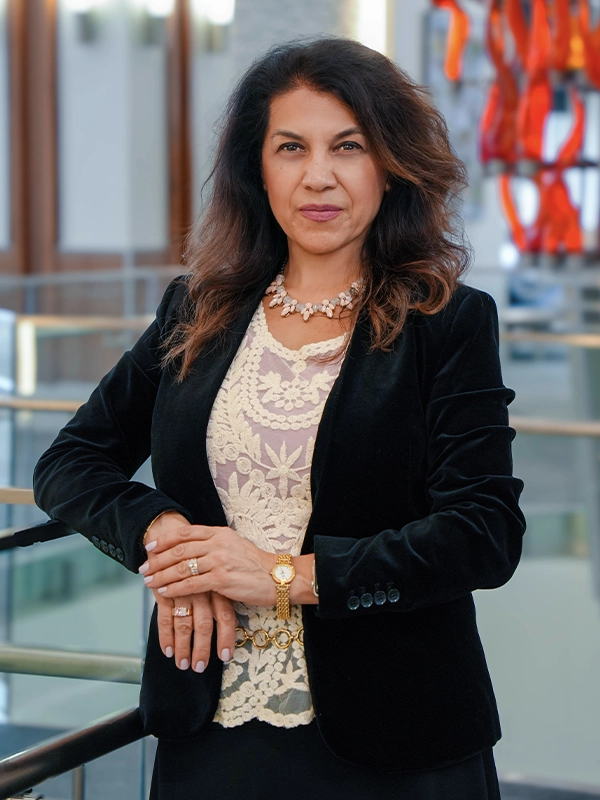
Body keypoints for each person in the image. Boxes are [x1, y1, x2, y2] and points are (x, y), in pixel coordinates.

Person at [33, 37, 525, 799]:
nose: (318, 176)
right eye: (291, 147)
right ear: (257, 169)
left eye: (348, 147)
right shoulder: (197, 310)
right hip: (210, 722)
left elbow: (483, 534)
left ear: (389, 166)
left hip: (397, 731)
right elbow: (69, 463)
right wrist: (167, 539)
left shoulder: (447, 322)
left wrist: (285, 577)